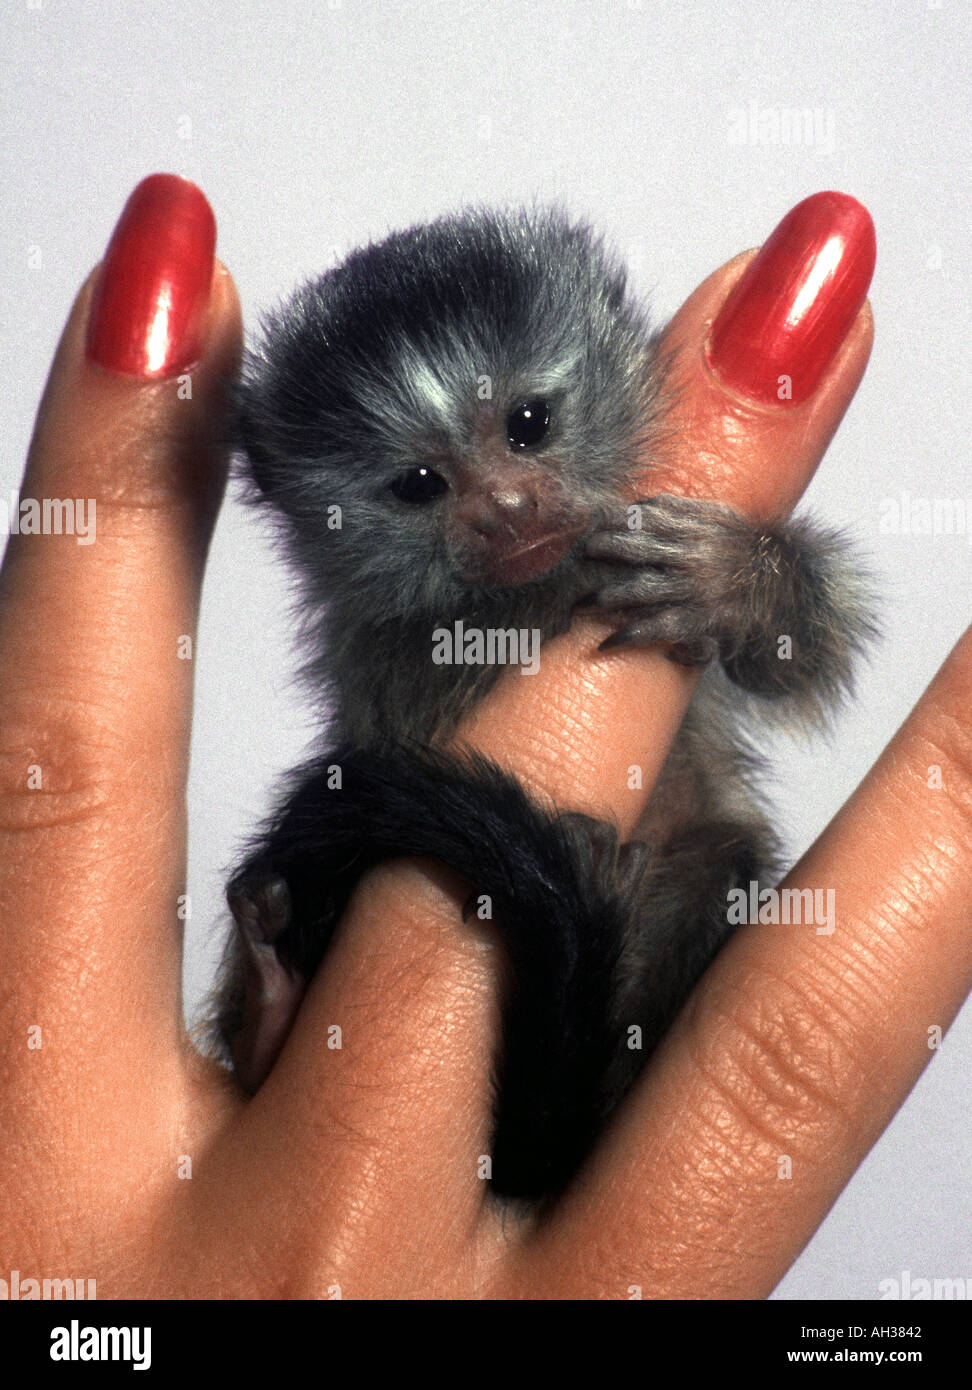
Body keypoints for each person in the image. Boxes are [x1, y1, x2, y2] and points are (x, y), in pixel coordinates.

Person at [0, 175, 967, 1299]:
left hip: (656, 955)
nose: (506, 500)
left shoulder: (666, 523)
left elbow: (808, 657)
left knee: (724, 878)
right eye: (420, 486)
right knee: (306, 879)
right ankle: (281, 1034)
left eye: (528, 426)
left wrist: (753, 579)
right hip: (434, 1061)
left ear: (611, 343)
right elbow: (389, 831)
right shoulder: (387, 649)